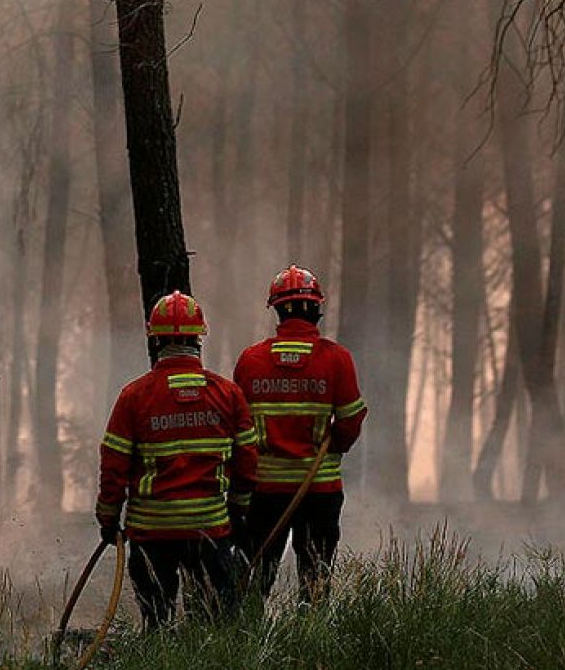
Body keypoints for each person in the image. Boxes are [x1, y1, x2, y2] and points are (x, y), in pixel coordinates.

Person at [94, 291, 258, 628]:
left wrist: (108, 517)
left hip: (151, 534)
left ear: (156, 342)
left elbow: (114, 464)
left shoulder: (134, 396)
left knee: (157, 622)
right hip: (210, 530)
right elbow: (247, 461)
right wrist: (238, 511)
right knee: (219, 626)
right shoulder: (228, 394)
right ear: (198, 339)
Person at [234, 264, 368, 600]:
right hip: (319, 489)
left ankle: (246, 643)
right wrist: (335, 444)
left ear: (277, 310)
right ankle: (311, 646)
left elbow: (238, 431)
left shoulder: (251, 360)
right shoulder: (337, 360)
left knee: (255, 581)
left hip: (265, 493)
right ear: (316, 309)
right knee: (315, 583)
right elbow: (351, 420)